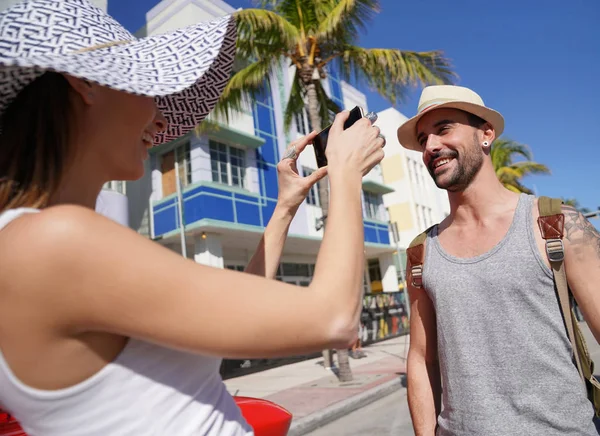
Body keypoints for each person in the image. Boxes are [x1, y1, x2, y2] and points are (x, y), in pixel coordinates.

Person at [0, 1, 385, 435]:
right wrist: (347, 170)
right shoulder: (56, 240)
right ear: (87, 83)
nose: (161, 117)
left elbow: (239, 315)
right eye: (147, 88)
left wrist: (284, 210)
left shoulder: (39, 239)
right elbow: (332, 319)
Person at [398, 85, 600, 435]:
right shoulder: (421, 253)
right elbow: (421, 358)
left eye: (444, 128)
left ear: (486, 134)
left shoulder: (556, 225)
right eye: (422, 139)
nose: (430, 146)